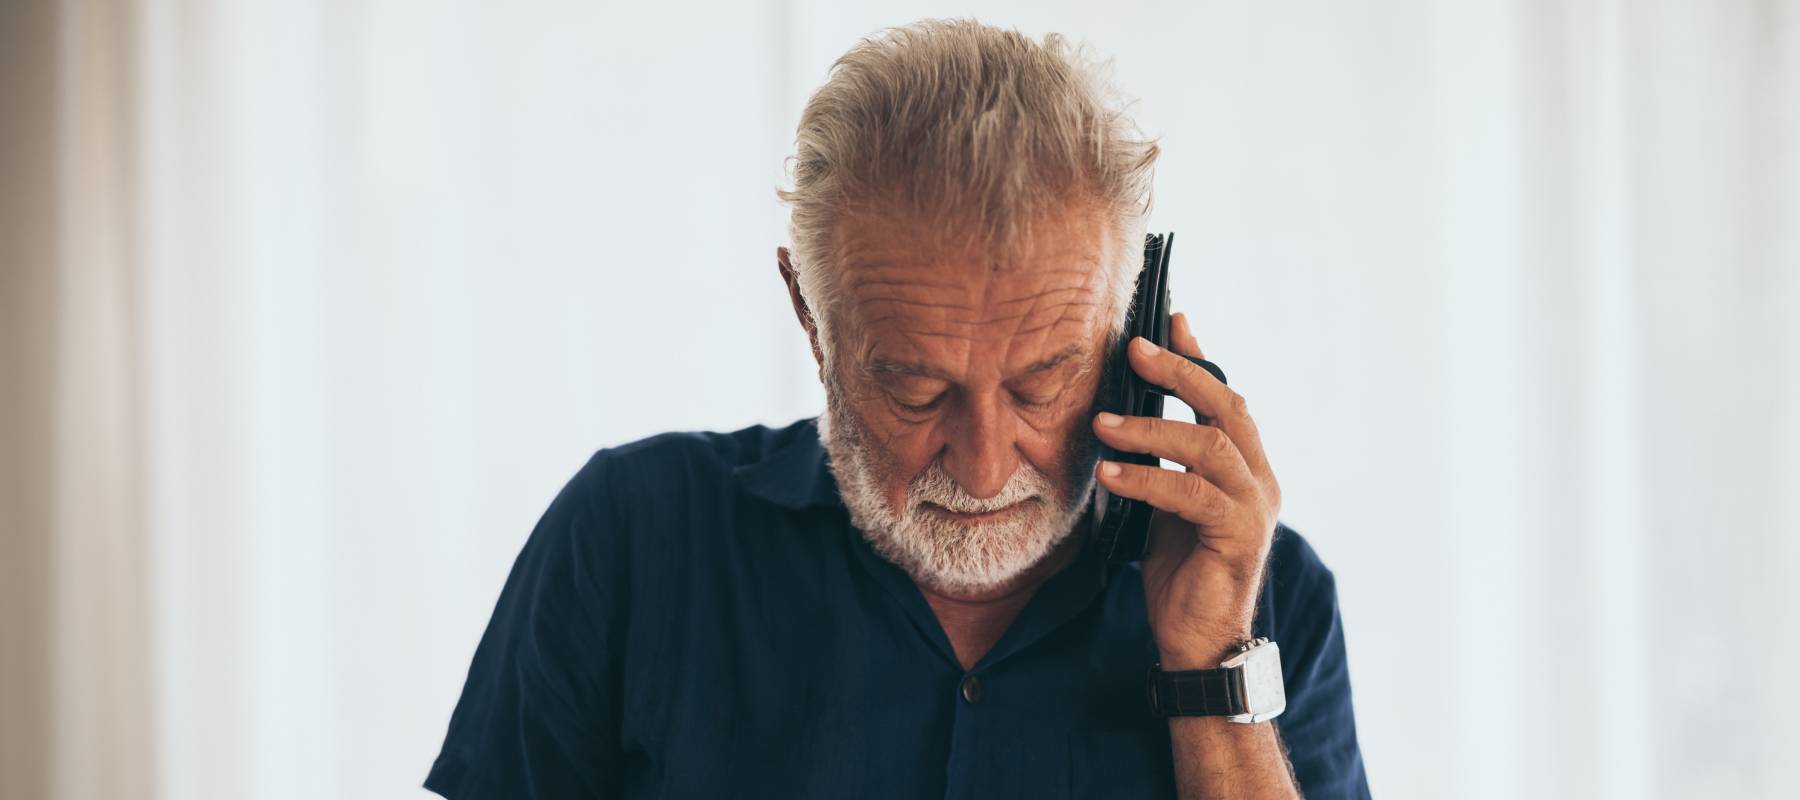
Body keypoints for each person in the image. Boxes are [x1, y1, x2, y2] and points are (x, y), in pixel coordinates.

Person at [426, 17, 1369, 799]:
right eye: (916, 389)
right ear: (808, 312)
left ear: (1132, 328)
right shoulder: (630, 539)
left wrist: (1209, 673)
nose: (987, 464)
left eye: (1042, 384)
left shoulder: (1264, 598)